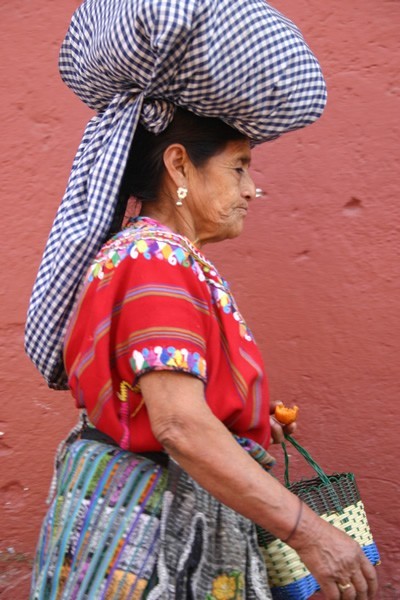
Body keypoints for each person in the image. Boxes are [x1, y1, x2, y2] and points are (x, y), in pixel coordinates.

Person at [26, 1, 378, 599]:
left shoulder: (155, 257)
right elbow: (180, 424)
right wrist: (308, 532)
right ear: (179, 163)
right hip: (154, 539)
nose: (251, 189)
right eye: (240, 167)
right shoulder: (153, 259)